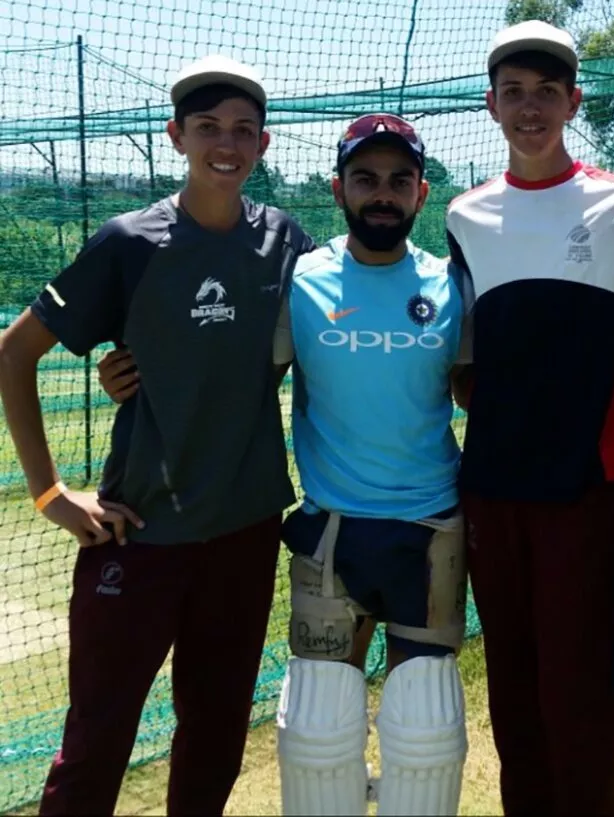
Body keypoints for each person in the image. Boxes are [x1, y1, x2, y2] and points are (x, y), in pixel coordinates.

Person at [100, 113, 473, 816]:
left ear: (422, 193)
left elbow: (480, 387)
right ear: (338, 189)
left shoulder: (450, 284)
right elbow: (230, 369)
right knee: (318, 730)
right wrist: (136, 368)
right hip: (332, 530)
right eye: (365, 179)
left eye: (399, 180)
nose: (382, 194)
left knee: (426, 726)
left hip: (431, 530)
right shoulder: (302, 277)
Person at [0, 54, 315, 816]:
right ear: (176, 135)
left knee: (213, 742)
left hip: (243, 532)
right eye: (208, 127)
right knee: (97, 741)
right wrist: (49, 493)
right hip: (136, 537)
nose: (226, 144)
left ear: (265, 146)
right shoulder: (129, 242)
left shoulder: (286, 241)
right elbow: (14, 354)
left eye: (244, 130)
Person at [447, 19, 614, 816]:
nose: (529, 107)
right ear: (490, 104)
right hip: (491, 490)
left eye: (546, 92)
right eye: (513, 92)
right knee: (513, 688)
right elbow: (464, 353)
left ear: (573, 101)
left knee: (578, 688)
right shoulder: (463, 215)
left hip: (584, 493)